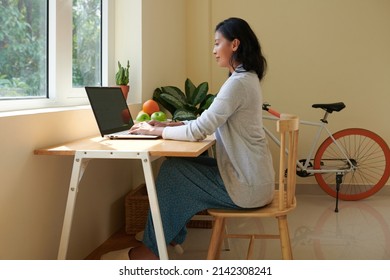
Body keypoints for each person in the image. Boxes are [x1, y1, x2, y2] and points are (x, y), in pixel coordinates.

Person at [101, 17, 275, 260]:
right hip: (252, 179)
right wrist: (168, 124)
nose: (214, 51)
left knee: (174, 171)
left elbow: (200, 129)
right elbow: (207, 121)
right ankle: (166, 238)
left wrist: (155, 131)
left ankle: (150, 252)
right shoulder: (246, 79)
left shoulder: (238, 83)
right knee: (174, 167)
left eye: (217, 43)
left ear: (234, 44)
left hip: (247, 187)